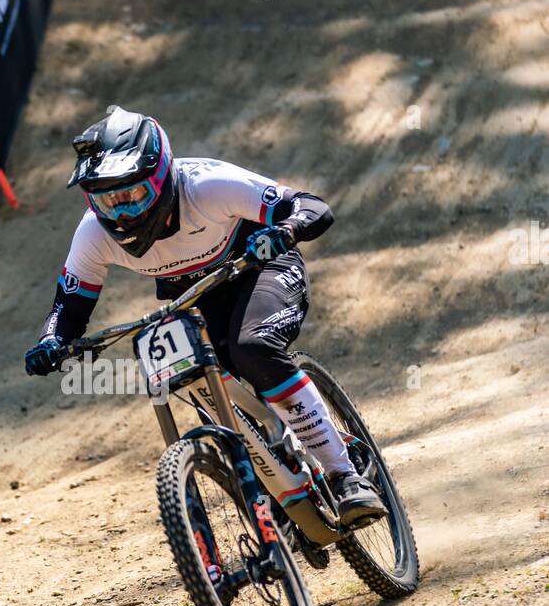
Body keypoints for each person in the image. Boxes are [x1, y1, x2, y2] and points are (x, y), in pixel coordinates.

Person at [24, 106, 385, 526]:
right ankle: (266, 479)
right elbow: (68, 306)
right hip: (193, 298)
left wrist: (284, 232)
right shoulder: (93, 233)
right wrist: (52, 341)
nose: (123, 215)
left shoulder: (209, 186)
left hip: (259, 268)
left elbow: (311, 206)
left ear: (160, 178)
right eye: (108, 201)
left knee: (252, 347)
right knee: (192, 374)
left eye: (133, 196)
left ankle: (345, 476)